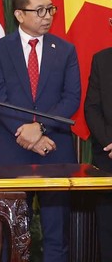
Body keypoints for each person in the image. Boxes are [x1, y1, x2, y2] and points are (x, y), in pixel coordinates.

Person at [0, 0, 80, 261]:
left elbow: (71, 97)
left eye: (50, 9)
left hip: (55, 148)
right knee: (10, 230)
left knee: (56, 231)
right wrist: (26, 132)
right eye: (39, 10)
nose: (47, 16)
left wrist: (39, 129)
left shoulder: (65, 50)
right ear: (19, 14)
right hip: (11, 150)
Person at [83, 18, 112, 258]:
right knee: (107, 228)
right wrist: (108, 142)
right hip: (108, 158)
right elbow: (91, 108)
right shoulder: (102, 59)